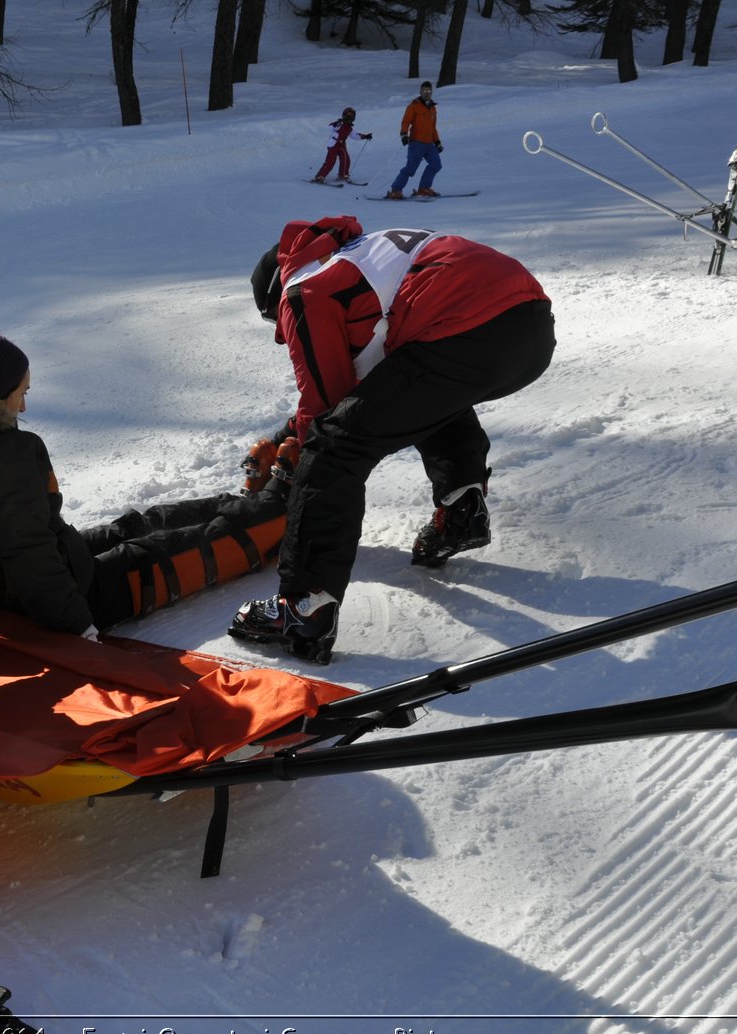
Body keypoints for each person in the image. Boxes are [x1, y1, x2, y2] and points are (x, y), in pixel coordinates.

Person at [230, 216, 554, 664]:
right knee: (419, 391)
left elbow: (327, 404)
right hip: (529, 325)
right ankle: (461, 510)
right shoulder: (352, 255)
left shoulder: (301, 288)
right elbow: (376, 389)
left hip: (465, 329)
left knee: (333, 447)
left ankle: (303, 607)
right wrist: (289, 433)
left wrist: (298, 466)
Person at [0, 328, 290, 639]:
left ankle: (243, 505)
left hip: (3, 578)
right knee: (163, 552)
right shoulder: (12, 452)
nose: (24, 406)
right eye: (21, 393)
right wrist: (77, 625)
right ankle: (280, 514)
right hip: (70, 593)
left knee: (136, 524)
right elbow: (26, 551)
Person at [386, 81, 442, 200]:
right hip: (416, 143)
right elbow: (406, 122)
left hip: (429, 144)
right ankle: (396, 190)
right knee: (410, 169)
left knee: (436, 164)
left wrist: (437, 142)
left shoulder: (433, 108)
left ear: (432, 92)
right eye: (424, 91)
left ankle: (424, 189)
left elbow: (433, 127)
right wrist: (404, 134)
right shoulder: (413, 107)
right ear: (420, 92)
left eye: (429, 91)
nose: (427, 93)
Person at [312, 107, 373, 185]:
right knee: (330, 161)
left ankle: (343, 175)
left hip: (342, 145)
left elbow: (355, 135)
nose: (349, 117)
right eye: (348, 115)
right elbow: (330, 127)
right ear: (344, 115)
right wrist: (336, 124)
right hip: (334, 144)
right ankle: (320, 176)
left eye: (351, 116)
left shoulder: (350, 128)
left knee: (346, 159)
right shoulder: (340, 124)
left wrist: (365, 136)